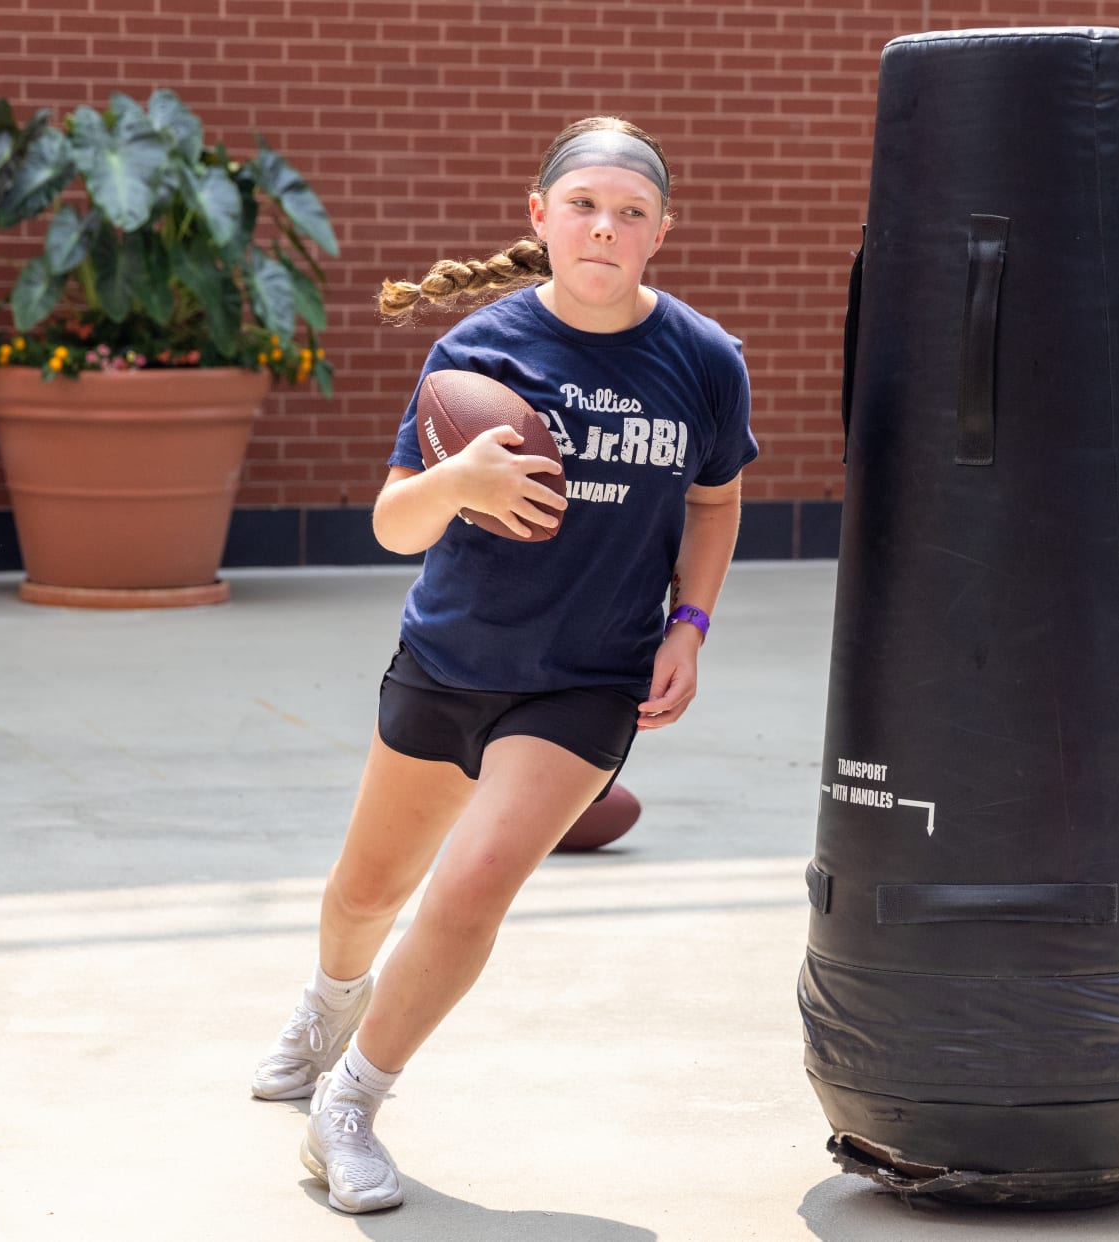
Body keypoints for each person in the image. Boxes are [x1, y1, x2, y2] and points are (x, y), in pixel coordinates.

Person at [250, 116, 760, 1214]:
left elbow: (714, 500)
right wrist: (458, 483)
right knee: (364, 895)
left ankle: (351, 1102)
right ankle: (329, 998)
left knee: (475, 882)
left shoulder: (705, 362)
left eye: (631, 213)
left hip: (587, 678)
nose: (605, 228)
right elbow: (394, 523)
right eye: (584, 205)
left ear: (661, 233)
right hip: (451, 660)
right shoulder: (475, 352)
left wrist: (693, 621)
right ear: (540, 217)